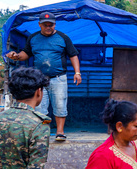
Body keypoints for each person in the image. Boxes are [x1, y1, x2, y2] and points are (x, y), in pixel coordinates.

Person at [6, 11, 81, 142]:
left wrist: (77, 72)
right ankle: (43, 133)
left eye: (51, 25)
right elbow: (26, 54)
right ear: (39, 24)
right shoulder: (33, 38)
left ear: (55, 24)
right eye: (45, 25)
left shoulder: (63, 37)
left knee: (60, 104)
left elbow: (73, 55)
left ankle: (60, 132)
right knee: (40, 108)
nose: (48, 27)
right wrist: (16, 56)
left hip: (59, 78)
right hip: (39, 80)